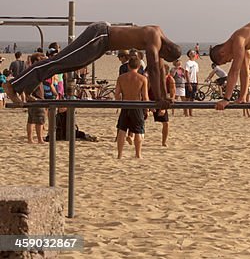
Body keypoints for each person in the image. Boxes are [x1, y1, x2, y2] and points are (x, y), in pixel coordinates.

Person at [4, 22, 181, 107]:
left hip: (103, 45)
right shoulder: (153, 39)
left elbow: (158, 68)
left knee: (66, 66)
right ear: (166, 50)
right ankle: (12, 85)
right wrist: (159, 99)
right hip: (100, 36)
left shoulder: (159, 36)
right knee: (59, 61)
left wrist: (165, 98)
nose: (160, 57)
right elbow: (155, 70)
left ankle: (28, 88)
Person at [115, 55, 148, 159]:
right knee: (138, 131)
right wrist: (146, 109)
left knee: (122, 130)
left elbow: (117, 94)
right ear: (139, 67)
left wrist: (119, 103)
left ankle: (120, 154)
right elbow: (145, 96)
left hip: (125, 104)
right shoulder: (142, 79)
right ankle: (138, 154)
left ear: (128, 66)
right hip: (137, 105)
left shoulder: (121, 78)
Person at [151, 63, 174, 146]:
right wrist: (150, 106)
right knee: (140, 118)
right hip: (152, 100)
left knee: (166, 123)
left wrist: (164, 108)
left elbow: (172, 95)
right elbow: (147, 91)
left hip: (163, 101)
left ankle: (164, 142)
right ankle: (131, 135)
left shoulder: (170, 79)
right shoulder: (153, 79)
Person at [183, 50, 199, 117]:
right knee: (187, 98)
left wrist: (197, 83)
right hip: (189, 82)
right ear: (189, 55)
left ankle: (191, 113)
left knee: (192, 99)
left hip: (194, 82)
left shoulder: (196, 63)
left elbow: (197, 74)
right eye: (192, 53)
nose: (193, 54)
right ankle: (186, 113)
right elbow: (186, 73)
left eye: (194, 53)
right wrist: (189, 84)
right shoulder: (188, 63)